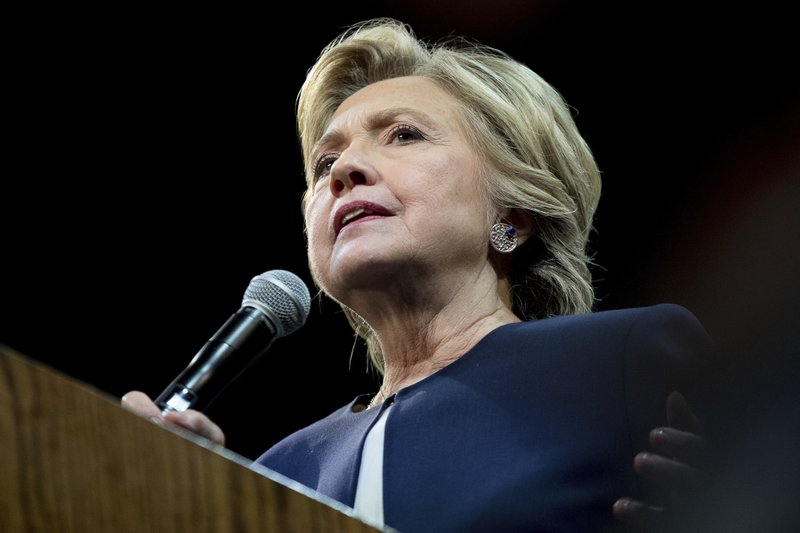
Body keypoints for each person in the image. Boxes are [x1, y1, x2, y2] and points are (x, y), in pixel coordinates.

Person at [122, 17, 714, 532]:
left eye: (404, 134)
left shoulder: (619, 365)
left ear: (513, 213)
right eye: (325, 162)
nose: (344, 170)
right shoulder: (281, 469)